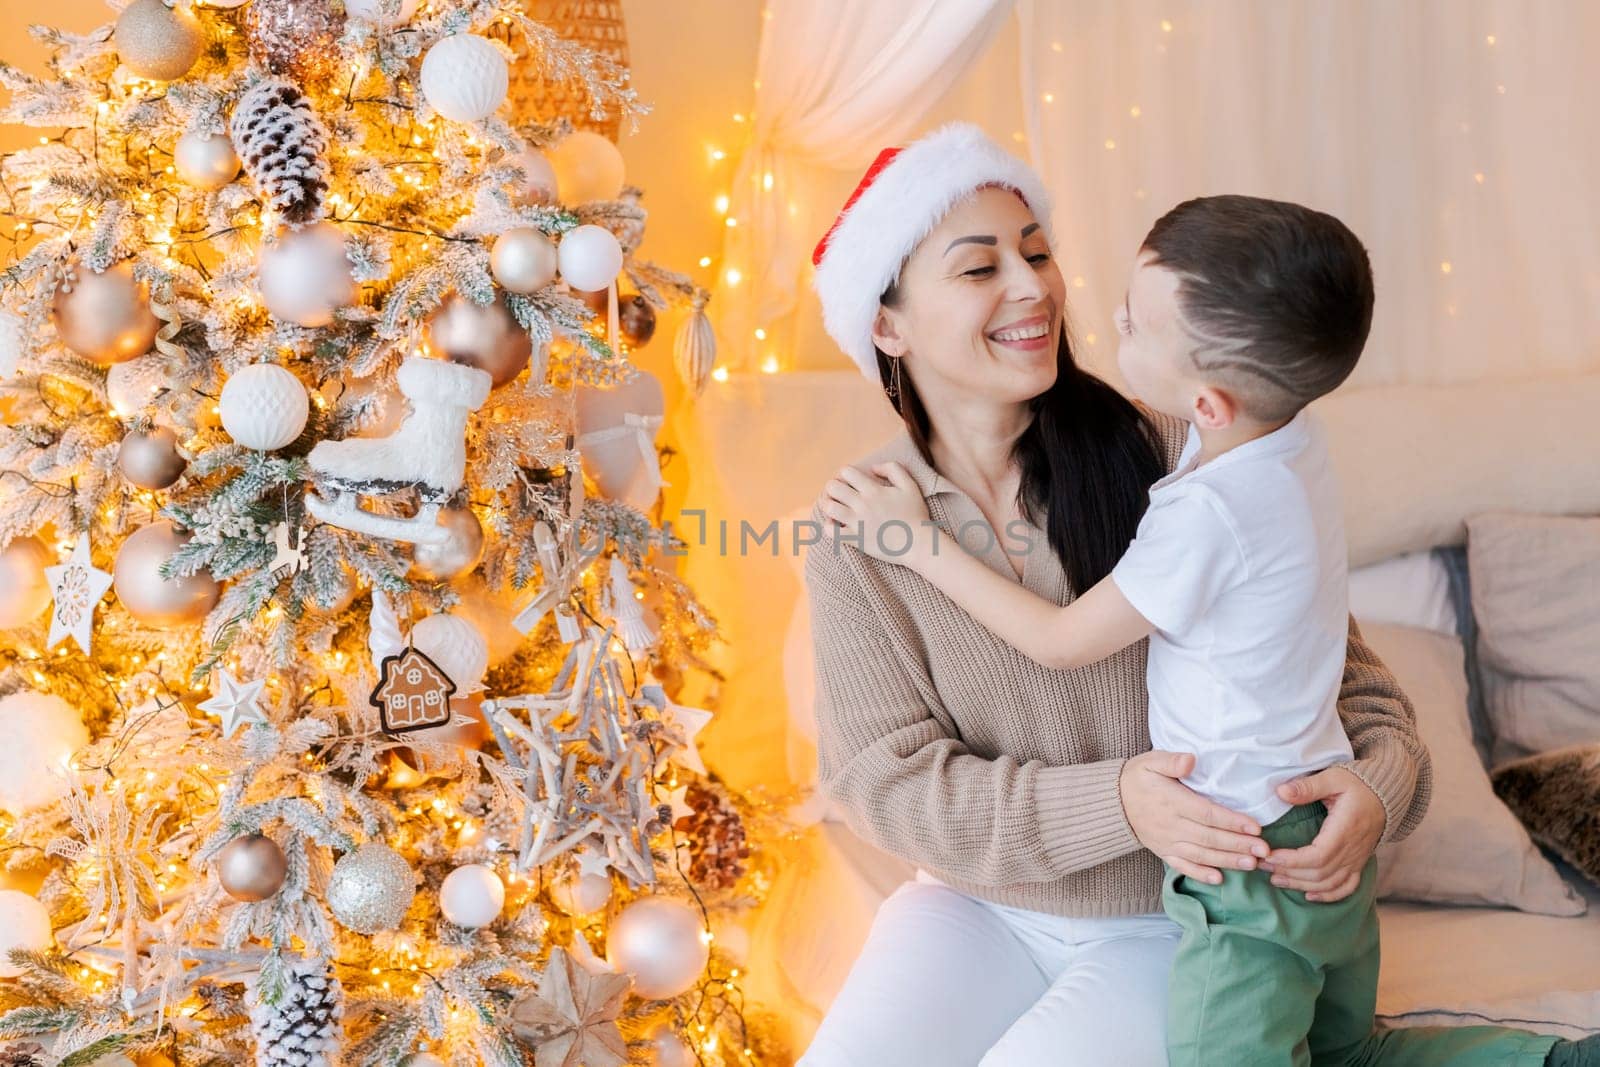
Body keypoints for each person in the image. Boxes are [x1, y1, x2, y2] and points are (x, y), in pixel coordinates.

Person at [822, 193, 1590, 1065]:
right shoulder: (863, 524)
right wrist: (1113, 801)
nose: (1034, 289)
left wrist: (1380, 785)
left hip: (1175, 914)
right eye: (978, 266)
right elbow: (880, 786)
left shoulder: (1193, 447)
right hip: (974, 906)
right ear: (887, 325)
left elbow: (1340, 676)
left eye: (1037, 253)